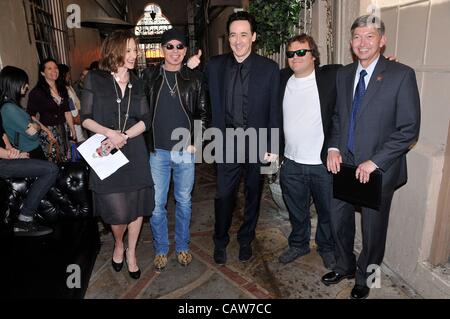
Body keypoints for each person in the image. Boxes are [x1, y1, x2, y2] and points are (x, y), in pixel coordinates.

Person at [322, 15, 420, 299]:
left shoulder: (401, 75)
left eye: (369, 36)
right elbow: (339, 116)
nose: (362, 43)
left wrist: (375, 161)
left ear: (382, 40)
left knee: (373, 230)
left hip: (377, 169)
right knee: (338, 220)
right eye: (357, 37)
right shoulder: (343, 74)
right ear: (351, 42)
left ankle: (369, 279)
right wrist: (333, 148)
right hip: (345, 164)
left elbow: (409, 129)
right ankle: (344, 265)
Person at [205, 11, 280, 265]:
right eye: (234, 35)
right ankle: (220, 240)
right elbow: (201, 102)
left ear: (253, 37)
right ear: (228, 39)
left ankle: (246, 238)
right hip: (226, 143)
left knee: (253, 195)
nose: (238, 41)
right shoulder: (214, 66)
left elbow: (274, 111)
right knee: (224, 196)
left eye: (244, 35)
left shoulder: (269, 69)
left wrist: (272, 147)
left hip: (258, 144)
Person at [80, 30, 154, 280]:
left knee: (136, 208)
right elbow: (85, 119)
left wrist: (125, 136)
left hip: (134, 151)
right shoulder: (95, 79)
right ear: (115, 51)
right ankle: (118, 242)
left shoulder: (138, 82)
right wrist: (110, 134)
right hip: (106, 151)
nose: (134, 55)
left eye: (136, 50)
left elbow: (145, 119)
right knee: (118, 213)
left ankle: (131, 252)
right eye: (129, 50)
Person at [142, 28, 208, 272]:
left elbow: (203, 114)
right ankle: (161, 248)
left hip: (184, 151)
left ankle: (182, 245)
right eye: (169, 46)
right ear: (162, 49)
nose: (175, 51)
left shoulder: (195, 78)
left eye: (180, 46)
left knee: (184, 201)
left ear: (185, 50)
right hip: (157, 152)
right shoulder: (149, 77)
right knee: (157, 205)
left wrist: (197, 143)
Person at [278, 34, 340, 269]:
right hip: (291, 162)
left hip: (322, 163)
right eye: (291, 54)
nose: (295, 58)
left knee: (327, 212)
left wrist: (384, 65)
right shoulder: (282, 78)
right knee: (296, 210)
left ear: (314, 55)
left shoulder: (330, 76)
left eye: (301, 52)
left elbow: (361, 69)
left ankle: (326, 247)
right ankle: (298, 243)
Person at [0, 110, 58, 236]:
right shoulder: (8, 108)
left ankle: (25, 220)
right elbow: (32, 131)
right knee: (51, 169)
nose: (25, 88)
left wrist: (15, 153)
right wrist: (11, 155)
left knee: (51, 169)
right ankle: (25, 219)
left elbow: (4, 138)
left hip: (5, 159)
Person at [27, 58, 77, 162]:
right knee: (54, 161)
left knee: (68, 158)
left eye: (55, 68)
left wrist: (72, 129)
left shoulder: (62, 88)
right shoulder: (37, 92)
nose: (54, 70)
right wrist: (46, 130)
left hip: (64, 129)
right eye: (49, 68)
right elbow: (30, 115)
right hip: (49, 132)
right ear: (42, 73)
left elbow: (67, 111)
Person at [0, 66, 46, 160]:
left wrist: (36, 126)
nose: (27, 86)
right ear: (14, 83)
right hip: (29, 152)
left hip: (28, 150)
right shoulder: (9, 109)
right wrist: (38, 126)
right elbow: (34, 135)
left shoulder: (10, 105)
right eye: (24, 82)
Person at [58, 64, 87, 143]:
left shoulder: (68, 87)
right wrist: (75, 116)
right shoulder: (64, 89)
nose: (69, 76)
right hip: (73, 119)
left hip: (76, 117)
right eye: (67, 74)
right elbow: (70, 104)